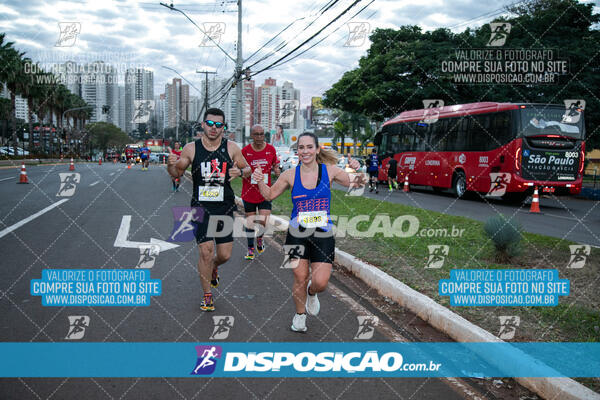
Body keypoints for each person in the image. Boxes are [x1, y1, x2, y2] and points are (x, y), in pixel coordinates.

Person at [252, 132, 365, 333]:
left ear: (317, 149)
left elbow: (357, 187)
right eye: (301, 148)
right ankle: (300, 316)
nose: (305, 151)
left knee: (320, 282)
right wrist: (259, 180)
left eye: (309, 147)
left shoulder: (329, 171)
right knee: (299, 276)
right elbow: (269, 194)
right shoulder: (290, 175)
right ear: (298, 151)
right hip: (297, 233)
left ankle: (312, 293)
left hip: (323, 234)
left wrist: (359, 169)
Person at [167, 108, 252, 312]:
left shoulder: (231, 147)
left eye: (219, 125)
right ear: (203, 125)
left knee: (224, 255)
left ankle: (214, 267)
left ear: (224, 127)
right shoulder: (191, 148)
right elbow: (177, 173)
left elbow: (248, 169)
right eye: (210, 124)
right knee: (206, 252)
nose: (214, 128)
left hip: (224, 207)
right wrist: (170, 166)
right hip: (200, 207)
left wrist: (239, 171)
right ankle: (207, 295)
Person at [241, 125, 280, 260]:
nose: (259, 137)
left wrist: (276, 170)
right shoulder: (245, 151)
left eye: (261, 134)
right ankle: (250, 248)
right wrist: (243, 173)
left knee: (264, 221)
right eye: (256, 134)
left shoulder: (271, 149)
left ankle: (260, 238)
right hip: (249, 192)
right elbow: (240, 168)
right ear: (251, 135)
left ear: (264, 135)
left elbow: (275, 164)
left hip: (265, 192)